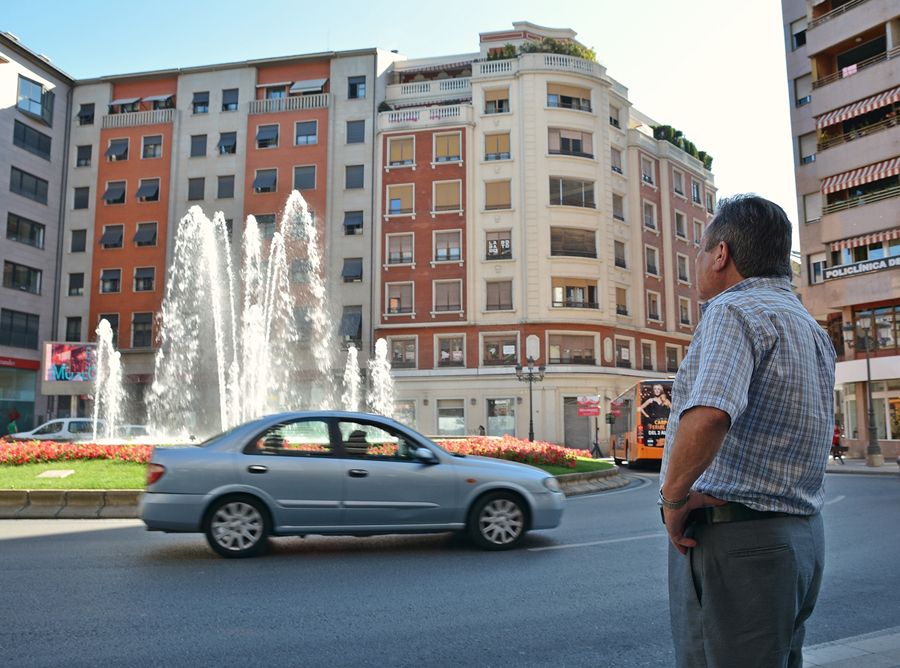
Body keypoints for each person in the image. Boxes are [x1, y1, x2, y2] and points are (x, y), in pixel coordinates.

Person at [659, 195, 836, 668]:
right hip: (801, 540)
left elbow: (711, 412)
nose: (698, 261)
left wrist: (673, 501)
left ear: (721, 255)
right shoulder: (808, 326)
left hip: (738, 542)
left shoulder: (733, 311)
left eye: (700, 249)